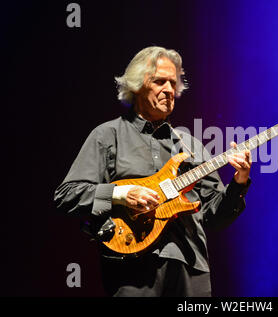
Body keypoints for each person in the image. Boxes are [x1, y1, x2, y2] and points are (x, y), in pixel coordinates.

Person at [54, 46, 252, 297]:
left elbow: (215, 218)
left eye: (173, 83)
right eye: (159, 81)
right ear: (137, 86)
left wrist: (239, 181)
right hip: (132, 268)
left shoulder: (190, 146)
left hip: (191, 268)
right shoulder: (108, 135)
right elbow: (67, 195)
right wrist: (121, 194)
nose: (169, 90)